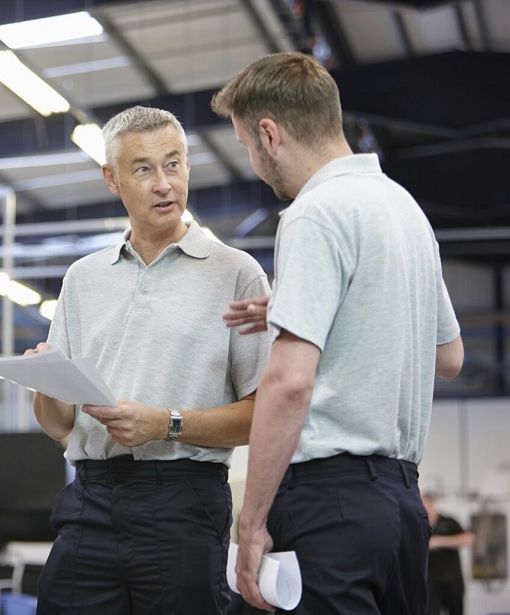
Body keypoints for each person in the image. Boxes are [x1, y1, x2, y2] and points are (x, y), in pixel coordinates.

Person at [210, 52, 465, 614]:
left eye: (247, 146)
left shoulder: (314, 213)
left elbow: (290, 383)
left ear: (269, 134)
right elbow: (449, 355)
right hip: (400, 510)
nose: (252, 161)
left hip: (331, 507)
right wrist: (311, 303)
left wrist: (250, 523)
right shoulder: (405, 210)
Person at [26, 105, 272, 614]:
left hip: (184, 503)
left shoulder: (235, 273)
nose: (164, 184)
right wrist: (46, 384)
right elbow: (58, 425)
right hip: (90, 499)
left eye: (174, 163)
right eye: (143, 169)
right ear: (112, 179)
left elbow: (261, 414)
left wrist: (166, 424)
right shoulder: (83, 278)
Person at [424, 493, 474, 615]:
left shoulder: (449, 521)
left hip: (453, 579)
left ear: (431, 504)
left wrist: (439, 541)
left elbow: (468, 538)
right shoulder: (419, 525)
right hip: (430, 582)